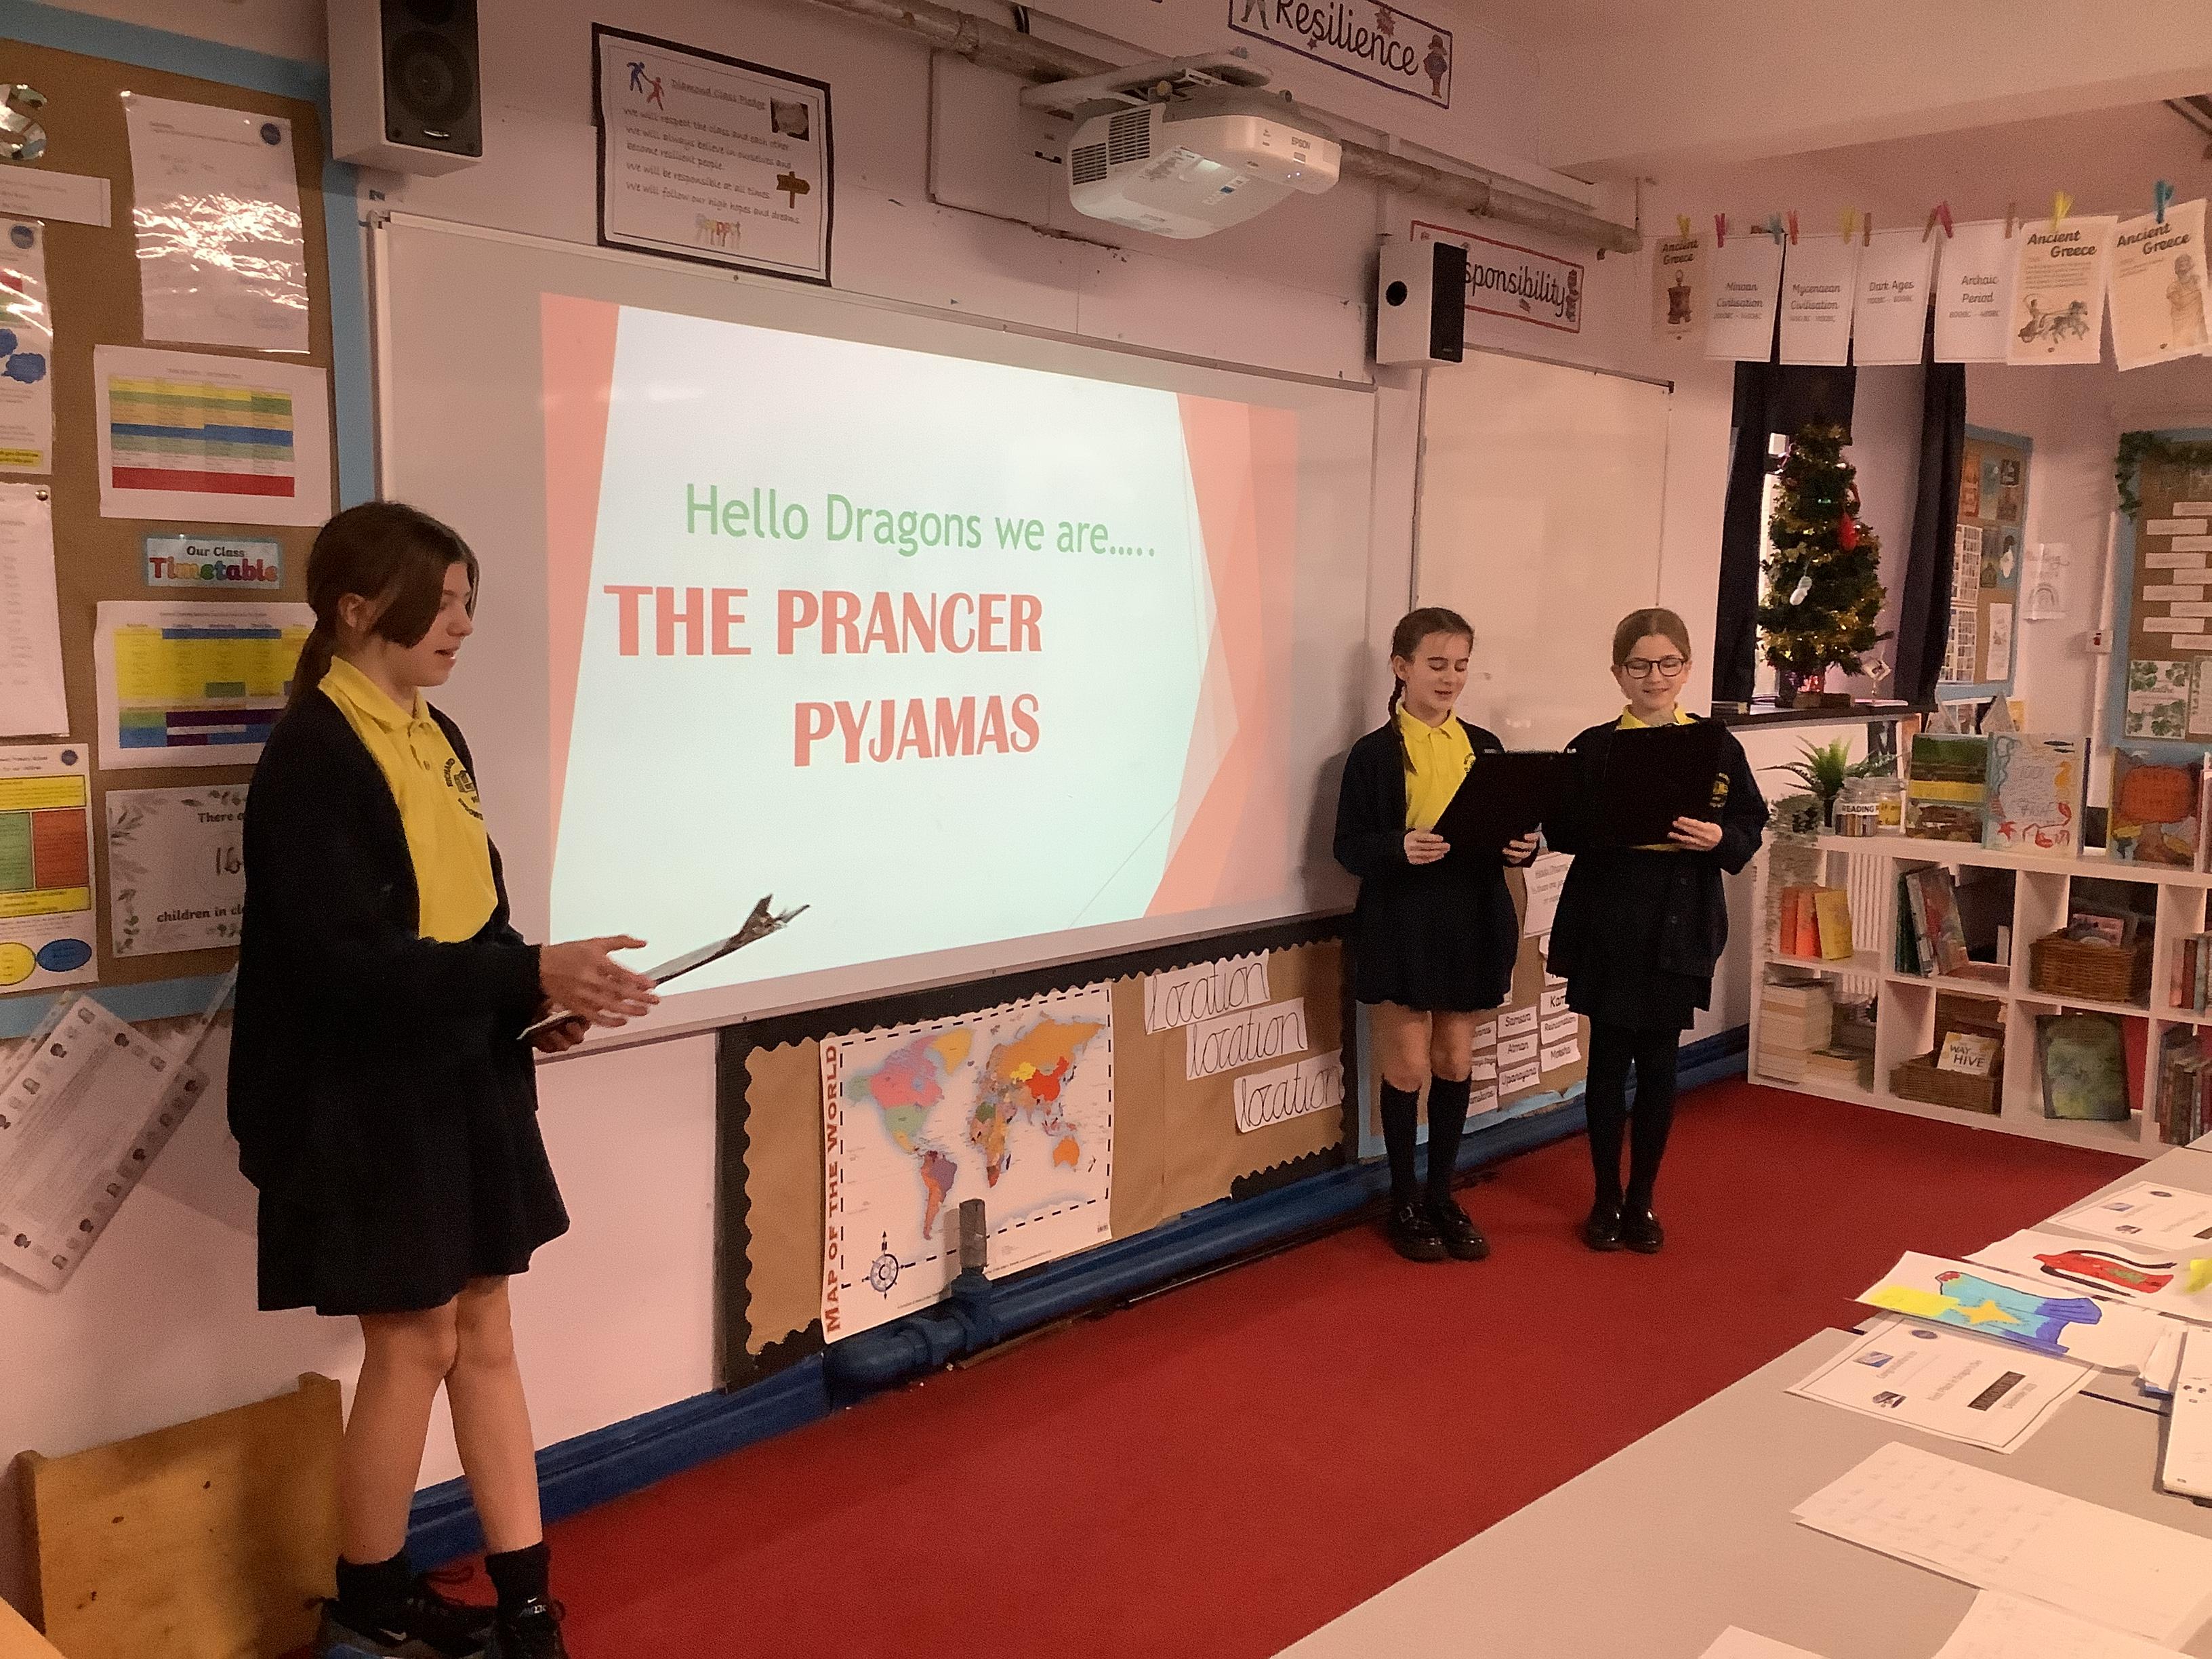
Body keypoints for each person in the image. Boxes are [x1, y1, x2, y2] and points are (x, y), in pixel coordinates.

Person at [230, 501, 659, 1659]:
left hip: (459, 1067)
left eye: (469, 601)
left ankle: (527, 1609)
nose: (463, 624)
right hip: (365, 1093)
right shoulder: (314, 755)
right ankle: (367, 1606)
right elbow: (346, 964)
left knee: (486, 1326)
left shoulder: (437, 732)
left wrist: (528, 1002)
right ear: (356, 608)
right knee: (415, 1339)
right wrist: (519, 972)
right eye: (445, 602)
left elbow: (472, 919)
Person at [1544, 608, 1765, 1255]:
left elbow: (1749, 822)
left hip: (1680, 918)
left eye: (1669, 664)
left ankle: (1642, 1198)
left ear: (1687, 668)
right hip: (1611, 920)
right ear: (1618, 673)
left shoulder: (1717, 745)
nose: (1655, 677)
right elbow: (1562, 827)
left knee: (1661, 1063)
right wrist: (1603, 823)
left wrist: (1719, 837)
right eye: (1640, 665)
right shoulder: (1594, 746)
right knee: (1608, 1061)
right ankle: (1604, 1198)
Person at [1334, 607, 1540, 1262]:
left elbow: (1514, 829)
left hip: (1473, 912)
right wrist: (1398, 847)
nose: (1450, 677)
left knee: (1454, 1060)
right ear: (1401, 667)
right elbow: (1348, 846)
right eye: (1436, 664)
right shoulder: (1372, 755)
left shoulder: (1486, 746)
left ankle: (1442, 1194)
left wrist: (1524, 847)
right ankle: (1404, 1199)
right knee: (1409, 1065)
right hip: (1402, 916)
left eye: (1460, 666)